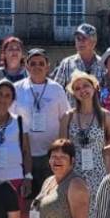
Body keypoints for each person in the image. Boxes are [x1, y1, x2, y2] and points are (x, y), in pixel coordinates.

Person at [59, 72, 110, 204]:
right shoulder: (68, 117)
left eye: (86, 86)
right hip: (74, 175)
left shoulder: (106, 116)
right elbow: (61, 149)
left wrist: (103, 150)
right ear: (73, 93)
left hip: (98, 174)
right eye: (77, 88)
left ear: (94, 88)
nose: (82, 90)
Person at [13, 49, 68, 191]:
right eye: (33, 63)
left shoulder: (57, 89)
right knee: (29, 200)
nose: (37, 67)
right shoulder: (17, 89)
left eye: (41, 63)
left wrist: (62, 149)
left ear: (47, 67)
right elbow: (11, 120)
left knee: (51, 197)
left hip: (52, 155)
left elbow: (65, 118)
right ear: (26, 66)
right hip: (25, 155)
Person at [50, 23, 105, 93]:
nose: (80, 42)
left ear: (93, 43)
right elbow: (56, 91)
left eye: (84, 39)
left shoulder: (103, 64)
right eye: (78, 39)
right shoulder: (67, 63)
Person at [0, 35, 27, 109]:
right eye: (10, 49)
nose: (14, 52)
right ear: (4, 53)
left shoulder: (29, 75)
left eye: (18, 49)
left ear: (22, 54)